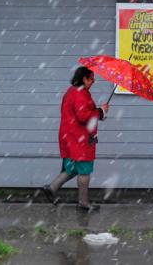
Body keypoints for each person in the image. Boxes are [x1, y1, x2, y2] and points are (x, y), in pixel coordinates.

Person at [41, 66, 109, 212]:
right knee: (84, 169)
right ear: (84, 78)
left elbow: (83, 113)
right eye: (91, 78)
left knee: (72, 167)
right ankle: (83, 203)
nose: (94, 81)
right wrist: (100, 111)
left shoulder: (72, 91)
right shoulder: (81, 94)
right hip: (80, 138)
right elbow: (83, 116)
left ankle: (51, 188)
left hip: (70, 135)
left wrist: (99, 113)